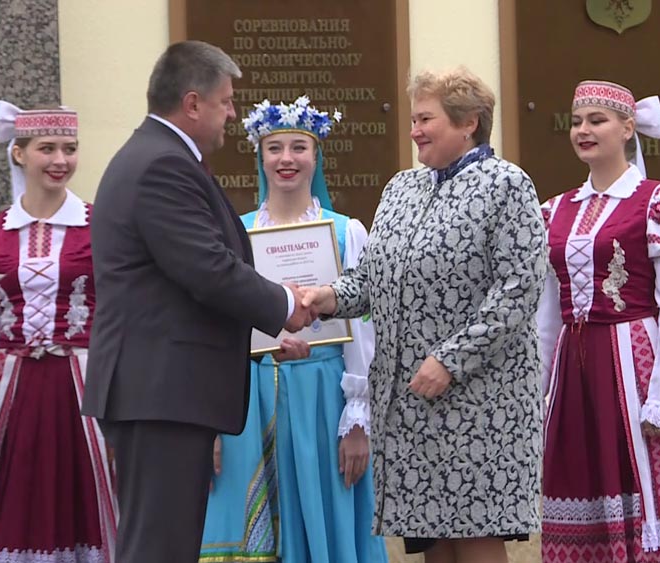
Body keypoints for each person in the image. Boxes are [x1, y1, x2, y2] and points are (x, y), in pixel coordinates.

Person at [301, 68, 546, 563]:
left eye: (426, 119)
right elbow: (371, 281)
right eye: (413, 118)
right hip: (409, 404)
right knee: (433, 540)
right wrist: (324, 297)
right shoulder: (400, 188)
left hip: (481, 403)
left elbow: (519, 289)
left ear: (469, 123)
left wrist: (451, 360)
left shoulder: (507, 185)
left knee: (476, 534)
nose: (413, 129)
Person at [82, 40, 315, 562]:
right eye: (226, 101)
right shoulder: (162, 165)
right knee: (158, 548)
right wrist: (284, 306)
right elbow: (206, 269)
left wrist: (265, 338)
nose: (233, 113)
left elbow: (178, 289)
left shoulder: (157, 157)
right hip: (159, 392)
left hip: (162, 388)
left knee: (166, 544)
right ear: (192, 104)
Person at [537, 80, 660, 562]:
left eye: (597, 121)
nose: (584, 130)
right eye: (578, 121)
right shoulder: (556, 211)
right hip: (575, 374)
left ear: (628, 128)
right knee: (582, 484)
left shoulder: (657, 203)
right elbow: (548, 316)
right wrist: (536, 388)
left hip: (634, 367)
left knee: (642, 483)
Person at [198, 97, 388, 563]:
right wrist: (212, 426)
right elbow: (217, 331)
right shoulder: (235, 235)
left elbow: (364, 336)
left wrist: (357, 420)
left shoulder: (346, 233)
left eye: (299, 147)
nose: (286, 159)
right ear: (259, 157)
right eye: (275, 148)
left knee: (322, 515)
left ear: (316, 156)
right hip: (250, 396)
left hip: (322, 397)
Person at [0, 101, 117, 563]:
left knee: (88, 497)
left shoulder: (102, 225)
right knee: (14, 494)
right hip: (11, 388)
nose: (60, 160)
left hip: (85, 386)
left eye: (70, 148)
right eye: (47, 148)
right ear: (19, 154)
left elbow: (120, 318)